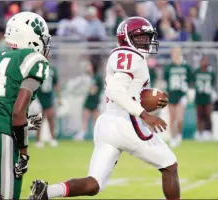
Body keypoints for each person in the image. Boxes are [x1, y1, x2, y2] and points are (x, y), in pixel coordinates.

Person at [29, 17, 180, 200]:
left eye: (147, 37)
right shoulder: (131, 56)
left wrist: (147, 98)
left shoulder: (122, 55)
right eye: (141, 37)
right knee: (170, 165)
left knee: (94, 184)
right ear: (127, 38)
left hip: (108, 123)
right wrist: (145, 114)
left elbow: (127, 91)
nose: (146, 41)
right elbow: (116, 91)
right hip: (127, 122)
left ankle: (47, 192)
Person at [0, 11, 51, 199]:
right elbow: (18, 112)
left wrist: (24, 124)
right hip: (1, 136)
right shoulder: (33, 59)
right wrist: (24, 153)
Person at [164, 46, 193, 148]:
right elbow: (166, 79)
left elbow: (190, 79)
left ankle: (179, 135)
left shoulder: (186, 66)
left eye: (177, 52)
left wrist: (187, 91)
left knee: (179, 118)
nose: (175, 54)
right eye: (174, 52)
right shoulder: (169, 67)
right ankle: (172, 138)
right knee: (172, 118)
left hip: (182, 94)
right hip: (171, 94)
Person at [74, 58, 104, 140]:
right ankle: (82, 134)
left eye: (89, 65)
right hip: (88, 101)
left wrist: (89, 88)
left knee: (96, 120)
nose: (87, 67)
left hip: (95, 101)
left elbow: (95, 90)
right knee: (85, 119)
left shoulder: (97, 77)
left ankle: (98, 136)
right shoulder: (87, 76)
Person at [36, 57, 60, 147]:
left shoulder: (52, 70)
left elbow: (56, 84)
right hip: (39, 96)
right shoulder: (37, 69)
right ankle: (38, 140)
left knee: (50, 117)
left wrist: (58, 97)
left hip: (49, 96)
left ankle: (53, 138)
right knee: (39, 119)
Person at [194, 55, 216, 141]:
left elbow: (213, 84)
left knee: (208, 115)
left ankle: (210, 132)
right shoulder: (196, 72)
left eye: (206, 60)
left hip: (208, 97)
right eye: (203, 60)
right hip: (199, 97)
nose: (205, 62)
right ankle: (200, 133)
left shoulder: (211, 73)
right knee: (200, 116)